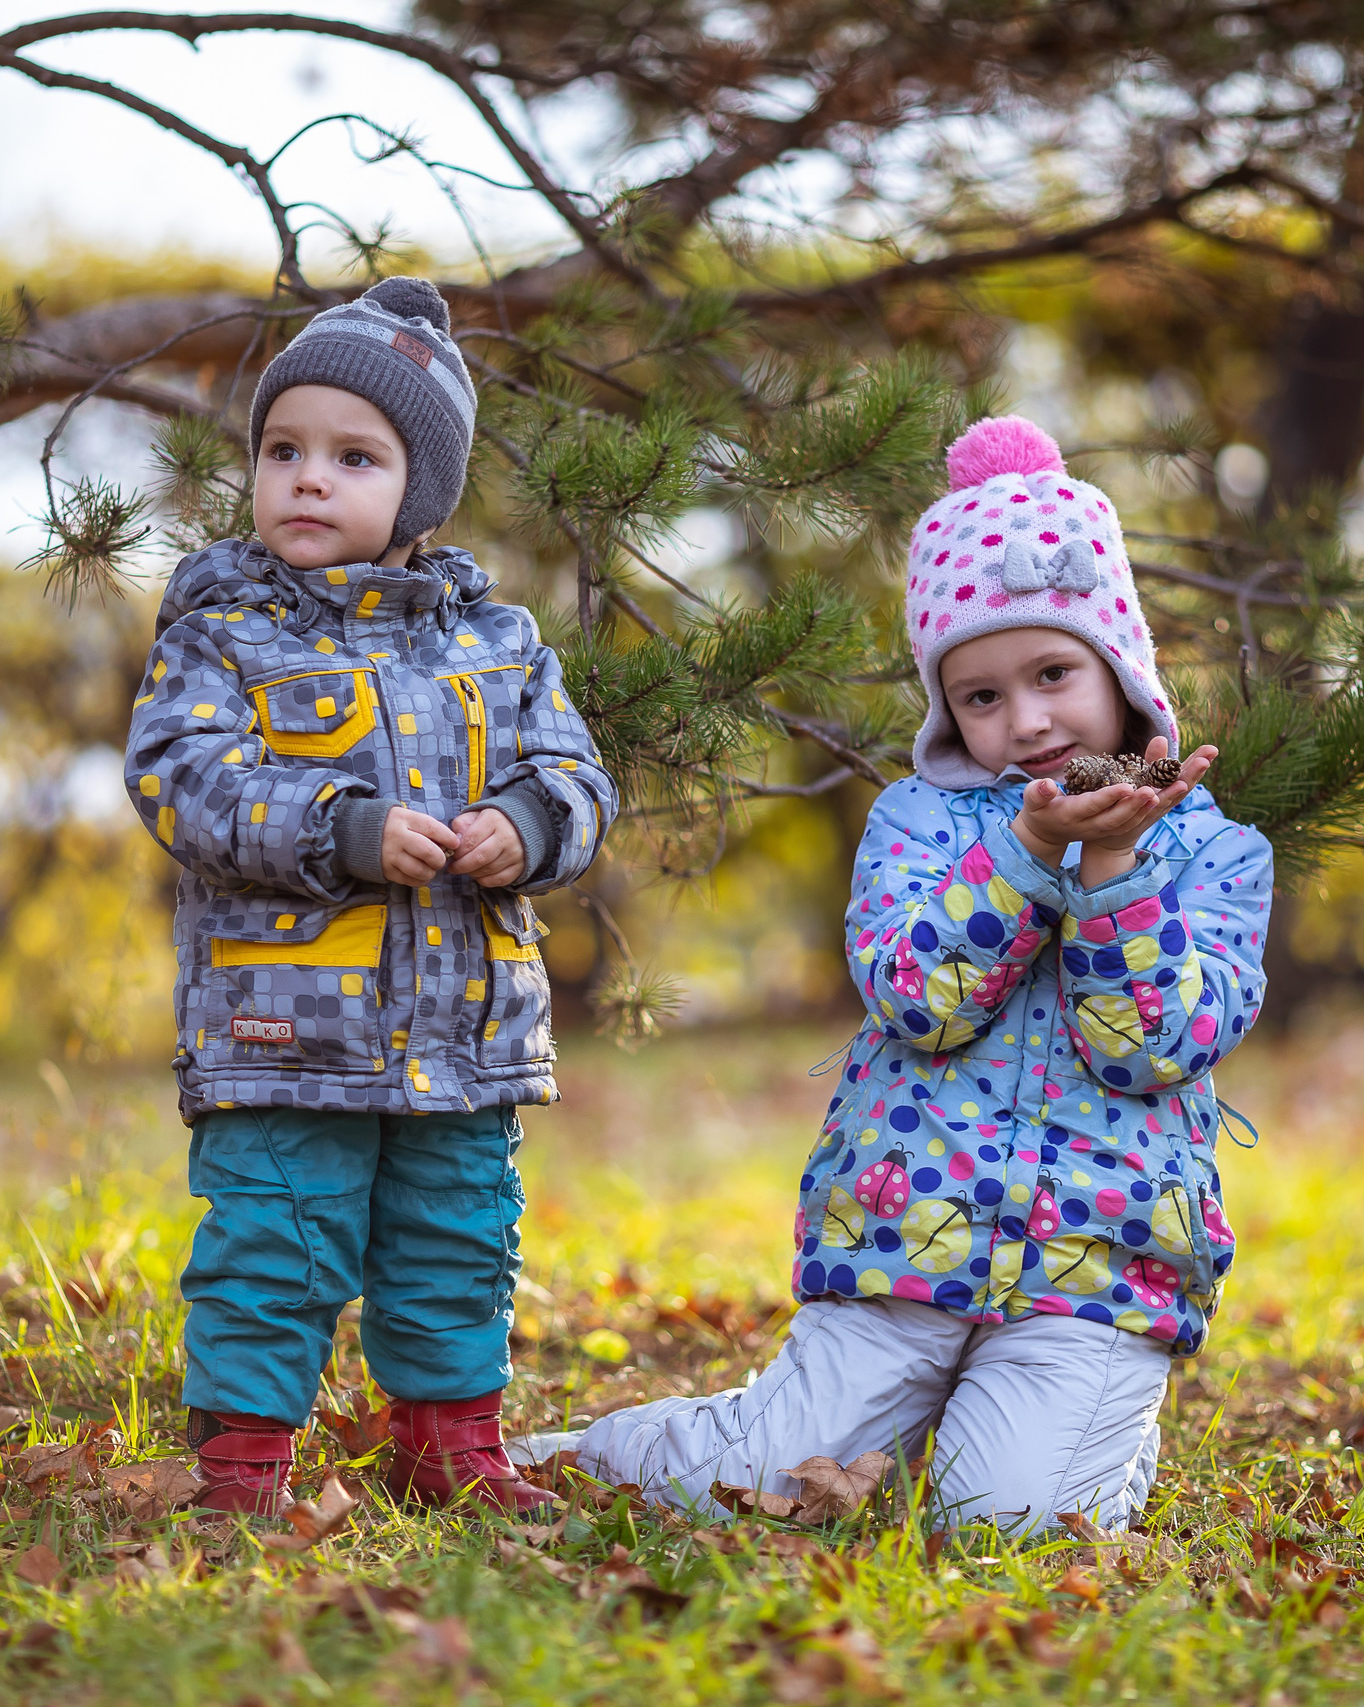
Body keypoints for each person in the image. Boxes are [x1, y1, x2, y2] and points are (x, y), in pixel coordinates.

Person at [518, 416, 1270, 1535]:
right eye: (979, 695)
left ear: (1119, 664)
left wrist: (1109, 868)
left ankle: (1045, 1434)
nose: (1025, 721)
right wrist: (1022, 856)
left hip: (1094, 1276)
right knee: (756, 1483)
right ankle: (598, 1450)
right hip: (901, 1246)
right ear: (945, 704)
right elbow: (920, 1003)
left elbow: (1148, 1046)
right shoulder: (917, 822)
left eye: (1053, 673)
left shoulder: (1215, 853)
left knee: (1008, 1525)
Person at [124, 276, 616, 1517]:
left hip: (467, 1032)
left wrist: (527, 823)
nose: (307, 477)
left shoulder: (496, 643)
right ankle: (242, 1466)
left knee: (456, 1240)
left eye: (355, 456)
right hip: (286, 1032)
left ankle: (447, 1443)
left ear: (420, 494)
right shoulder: (224, 632)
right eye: (284, 449)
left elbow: (577, 773)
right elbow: (178, 778)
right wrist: (334, 829)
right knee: (274, 1245)